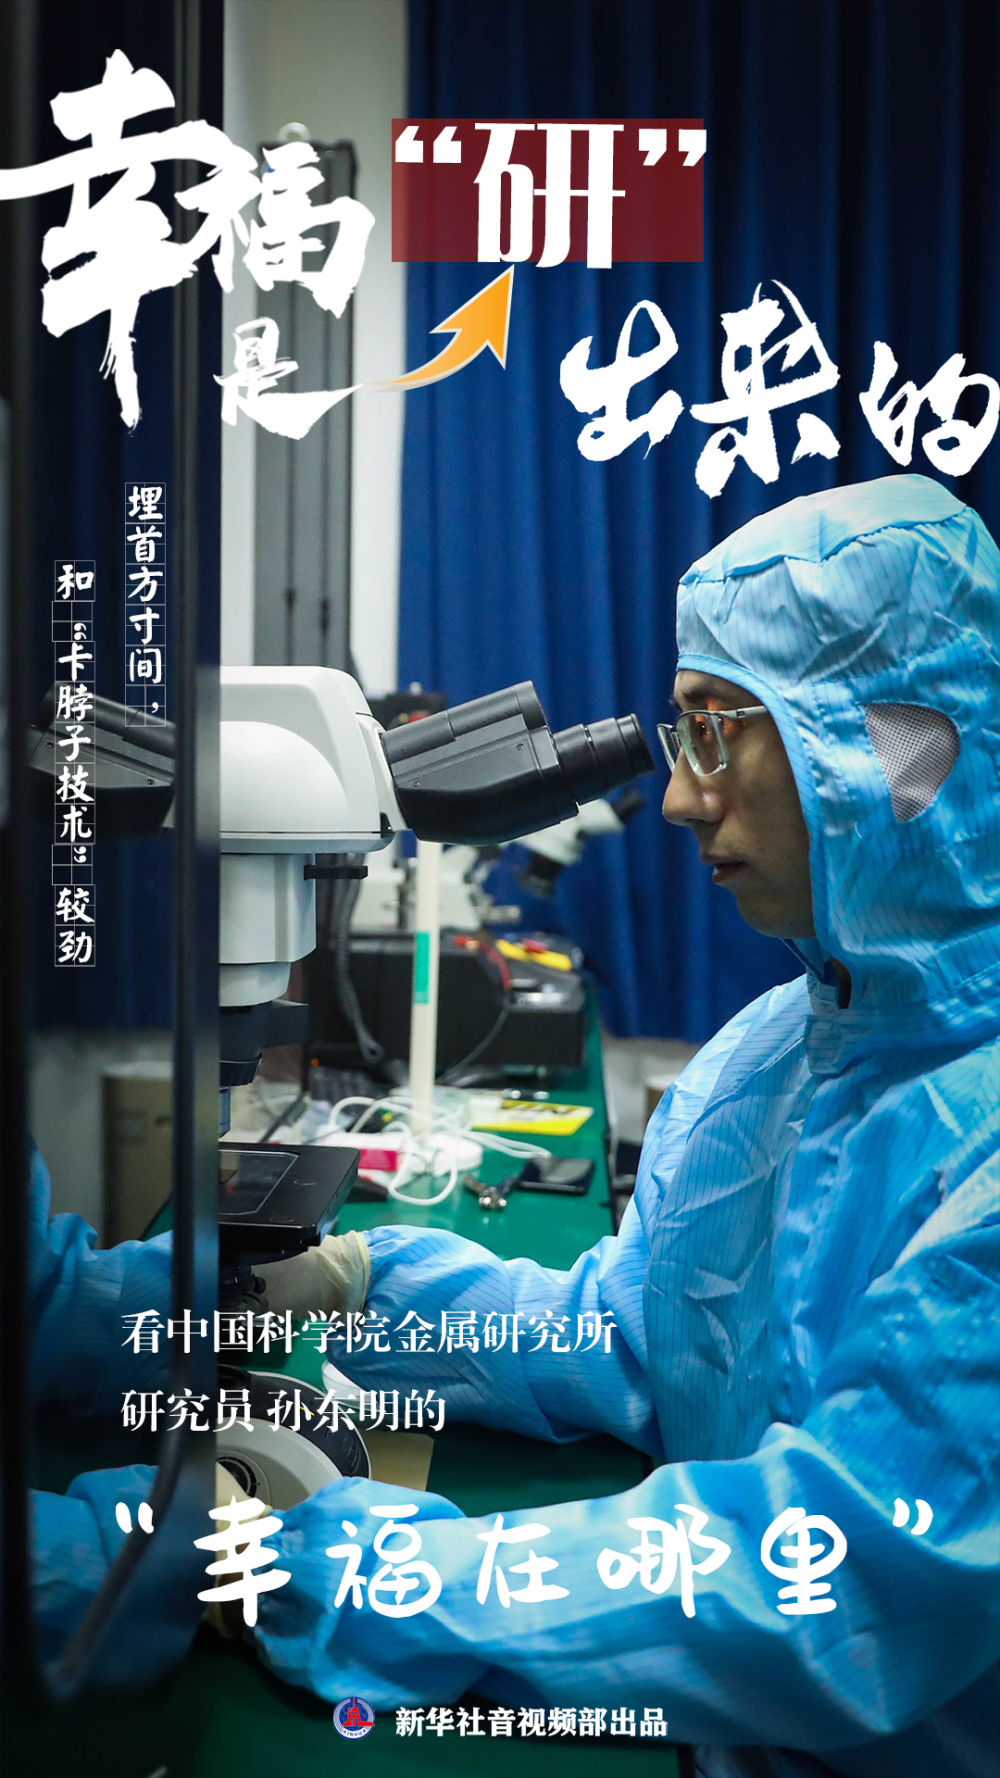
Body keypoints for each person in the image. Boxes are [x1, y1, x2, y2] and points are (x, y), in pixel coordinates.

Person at [242, 474, 998, 1778]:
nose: (685, 799)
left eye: (715, 731)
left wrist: (313, 1563)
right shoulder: (773, 1054)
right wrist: (361, 1286)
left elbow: (822, 1581)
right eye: (680, 732)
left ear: (881, 749)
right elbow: (632, 1335)